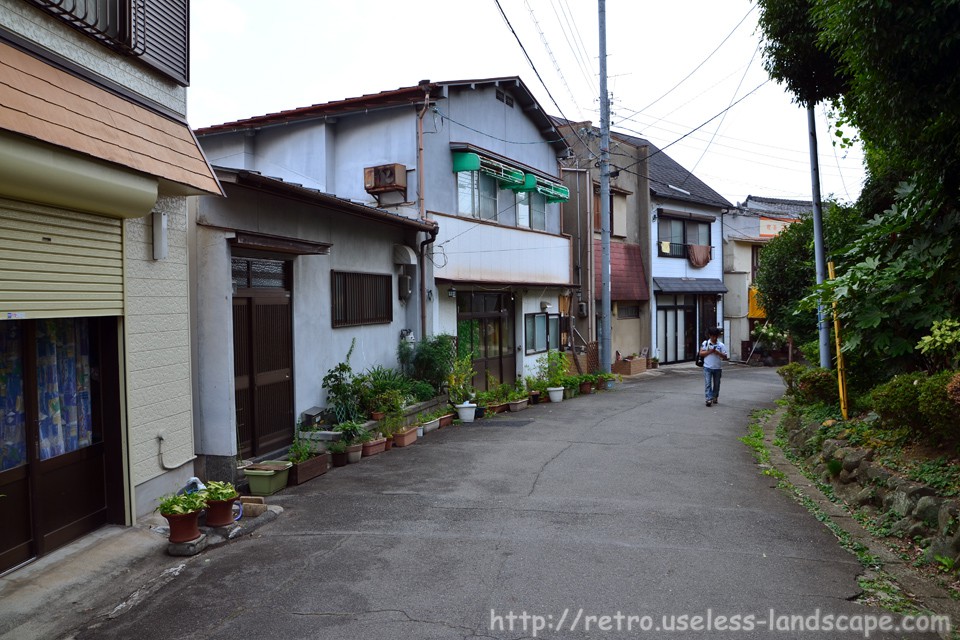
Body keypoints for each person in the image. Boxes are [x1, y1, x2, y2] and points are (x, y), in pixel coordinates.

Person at [699, 327, 728, 406]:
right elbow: (701, 353)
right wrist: (710, 351)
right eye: (712, 336)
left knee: (717, 384)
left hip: (717, 368)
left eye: (716, 336)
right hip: (707, 367)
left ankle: (715, 396)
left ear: (718, 336)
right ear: (709, 335)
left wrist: (717, 352)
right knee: (707, 383)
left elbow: (725, 356)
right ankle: (708, 399)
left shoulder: (721, 345)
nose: (714, 338)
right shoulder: (705, 343)